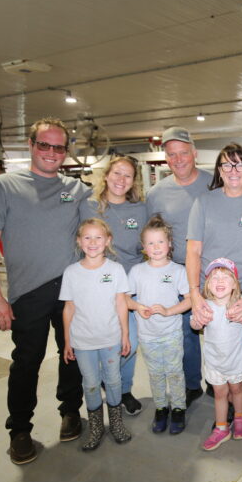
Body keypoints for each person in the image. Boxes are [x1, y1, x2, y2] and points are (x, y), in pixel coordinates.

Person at [0, 117, 91, 465]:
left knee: (72, 352)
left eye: (59, 147)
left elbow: (101, 225)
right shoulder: (3, 186)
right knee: (27, 361)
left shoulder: (77, 188)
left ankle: (70, 412)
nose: (52, 153)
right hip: (29, 291)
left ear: (66, 151)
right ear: (31, 145)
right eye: (45, 145)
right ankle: (20, 431)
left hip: (71, 288)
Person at [186, 143, 242, 446]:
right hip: (213, 295)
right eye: (227, 165)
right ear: (219, 171)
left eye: (240, 165)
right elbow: (193, 251)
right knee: (220, 354)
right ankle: (226, 416)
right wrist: (196, 296)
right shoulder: (204, 203)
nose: (234, 171)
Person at [146, 126, 213, 406]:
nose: (178, 159)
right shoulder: (156, 193)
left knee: (217, 329)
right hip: (175, 274)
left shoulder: (214, 183)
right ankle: (192, 384)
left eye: (183, 152)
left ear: (194, 153)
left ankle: (219, 380)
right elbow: (151, 235)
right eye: (171, 154)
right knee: (185, 332)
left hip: (212, 271)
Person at [80, 155, 148, 416]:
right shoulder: (89, 206)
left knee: (128, 343)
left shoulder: (139, 210)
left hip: (129, 288)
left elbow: (147, 243)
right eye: (117, 173)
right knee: (100, 345)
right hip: (97, 288)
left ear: (133, 182)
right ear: (106, 175)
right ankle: (105, 388)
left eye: (128, 176)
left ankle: (123, 389)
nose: (121, 180)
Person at [60, 218, 132, 451]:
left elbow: (121, 303)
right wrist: (68, 341)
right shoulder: (71, 272)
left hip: (110, 338)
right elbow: (68, 308)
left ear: (108, 241)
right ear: (79, 241)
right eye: (87, 237)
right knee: (90, 383)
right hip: (82, 342)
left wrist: (125, 335)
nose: (93, 242)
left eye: (98, 237)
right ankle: (96, 427)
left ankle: (117, 424)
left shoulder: (115, 270)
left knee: (112, 380)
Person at [127, 215, 191, 434]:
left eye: (161, 241)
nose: (156, 247)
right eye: (151, 243)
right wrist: (138, 307)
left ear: (170, 244)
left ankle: (179, 408)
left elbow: (190, 299)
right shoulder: (136, 272)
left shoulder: (177, 271)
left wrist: (168, 311)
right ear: (144, 247)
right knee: (155, 374)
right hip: (147, 335)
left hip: (171, 332)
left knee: (174, 372)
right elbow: (125, 298)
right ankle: (161, 408)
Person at [190, 258, 242, 451]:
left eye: (225, 277)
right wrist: (197, 321)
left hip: (235, 361)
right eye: (214, 278)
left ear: (235, 284)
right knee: (220, 393)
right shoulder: (205, 305)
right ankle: (221, 427)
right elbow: (194, 324)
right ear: (208, 285)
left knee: (237, 390)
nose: (220, 282)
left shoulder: (240, 304)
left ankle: (239, 418)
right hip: (214, 362)